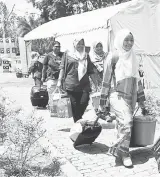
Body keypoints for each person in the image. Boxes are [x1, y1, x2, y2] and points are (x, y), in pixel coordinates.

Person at [99, 29, 147, 168]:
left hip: (131, 96)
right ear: (120, 40)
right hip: (117, 95)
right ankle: (124, 153)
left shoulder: (134, 57)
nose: (129, 43)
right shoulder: (112, 57)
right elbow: (106, 81)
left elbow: (138, 81)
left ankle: (122, 150)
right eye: (126, 39)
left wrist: (141, 101)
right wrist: (102, 103)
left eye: (131, 40)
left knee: (122, 124)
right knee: (127, 122)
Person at [57, 39, 99, 123]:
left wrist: (96, 84)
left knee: (84, 102)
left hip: (84, 84)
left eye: (82, 44)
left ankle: (78, 120)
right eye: (78, 44)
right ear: (74, 44)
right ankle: (78, 122)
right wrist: (59, 81)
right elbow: (62, 68)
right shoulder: (67, 54)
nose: (80, 45)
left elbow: (90, 70)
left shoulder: (86, 55)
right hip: (71, 83)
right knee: (74, 104)